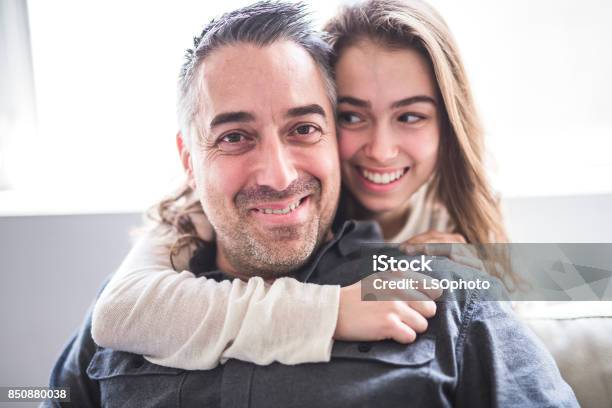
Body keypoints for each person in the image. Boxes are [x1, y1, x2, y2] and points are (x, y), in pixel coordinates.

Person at [47, 2, 578, 407]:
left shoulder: (447, 282)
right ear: (189, 160)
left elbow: (582, 275)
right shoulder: (138, 298)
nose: (380, 150)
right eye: (235, 136)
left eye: (303, 127)